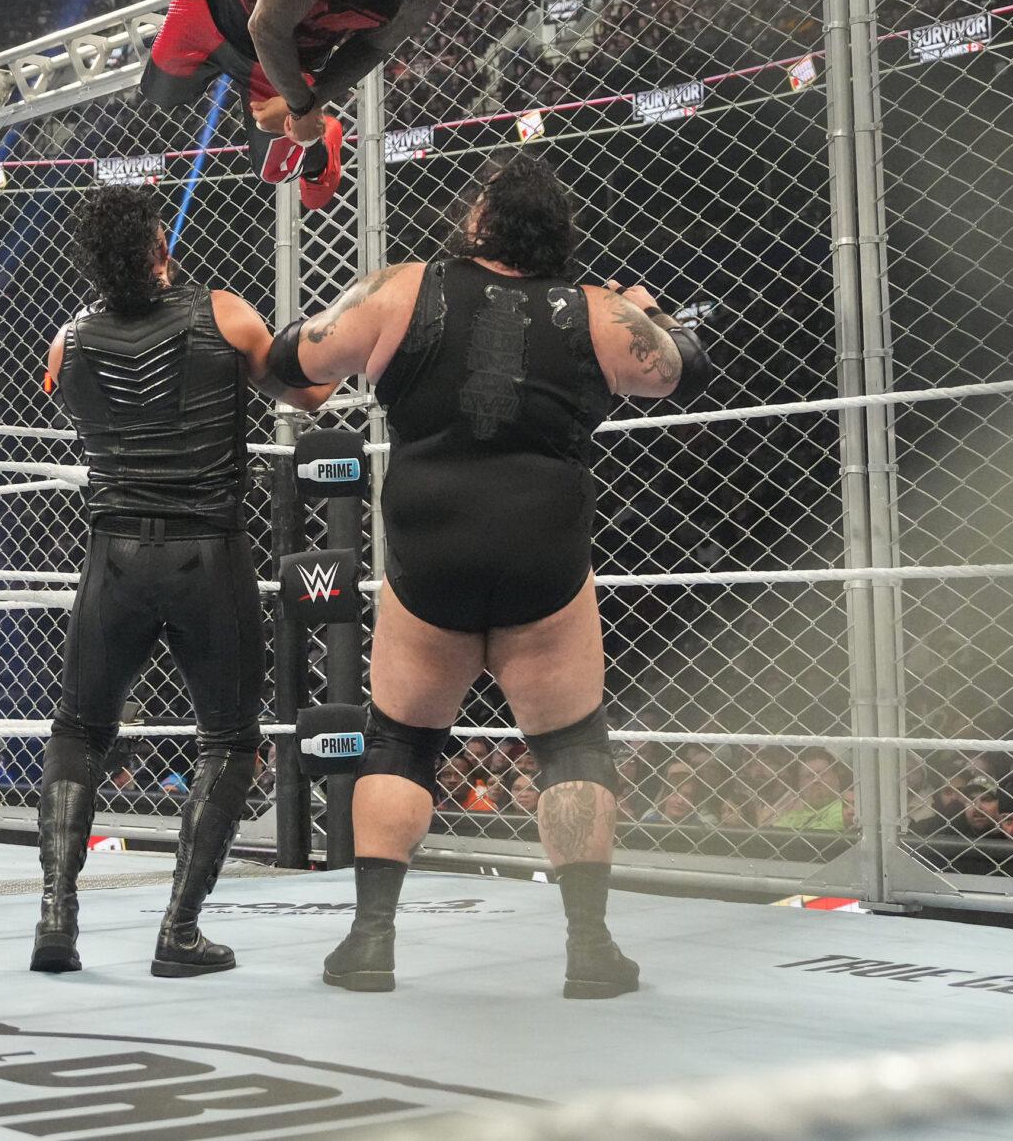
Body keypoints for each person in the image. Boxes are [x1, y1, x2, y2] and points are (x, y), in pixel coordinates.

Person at [260, 152, 708, 998]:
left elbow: (293, 358)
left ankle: (371, 941)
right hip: (543, 553)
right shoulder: (599, 311)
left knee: (402, 740)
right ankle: (589, 948)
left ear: (479, 222)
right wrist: (652, 312)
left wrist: (313, 366)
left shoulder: (402, 289)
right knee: (571, 745)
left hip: (432, 550)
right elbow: (684, 364)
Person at [32, 185, 334, 978]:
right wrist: (328, 338)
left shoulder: (69, 339)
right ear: (160, 248)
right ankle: (180, 929)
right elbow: (308, 391)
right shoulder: (224, 314)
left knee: (79, 728)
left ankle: (56, 915)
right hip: (207, 552)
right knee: (229, 738)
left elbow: (63, 395)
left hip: (113, 556)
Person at [139, 0, 489, 210]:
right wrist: (302, 107)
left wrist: (310, 102)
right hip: (217, 2)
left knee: (273, 170)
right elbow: (266, 26)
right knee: (159, 92)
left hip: (287, 52)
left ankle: (321, 149)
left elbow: (370, 49)